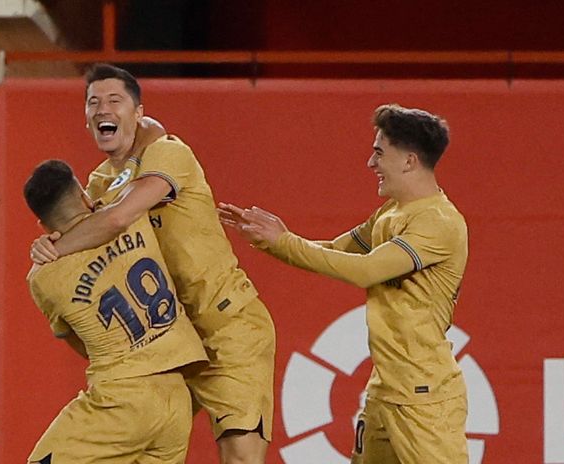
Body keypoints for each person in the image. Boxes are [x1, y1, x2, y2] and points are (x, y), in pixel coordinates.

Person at [29, 64, 276, 463]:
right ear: (86, 118)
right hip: (169, 344)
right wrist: (48, 242)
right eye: (93, 102)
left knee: (241, 459)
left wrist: (53, 252)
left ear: (138, 111)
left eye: (114, 100)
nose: (102, 109)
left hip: (227, 327)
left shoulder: (168, 153)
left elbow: (117, 218)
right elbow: (77, 219)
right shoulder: (96, 185)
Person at [218, 104, 469, 464]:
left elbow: (364, 270)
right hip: (385, 391)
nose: (371, 164)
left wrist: (284, 241)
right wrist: (270, 240)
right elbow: (335, 250)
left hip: (425, 398)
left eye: (379, 153)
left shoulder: (439, 223)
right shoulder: (390, 213)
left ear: (410, 161)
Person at [24, 159, 208, 463]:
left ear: (43, 226)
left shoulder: (44, 277)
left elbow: (78, 341)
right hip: (177, 396)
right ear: (84, 197)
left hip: (122, 399)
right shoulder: (130, 210)